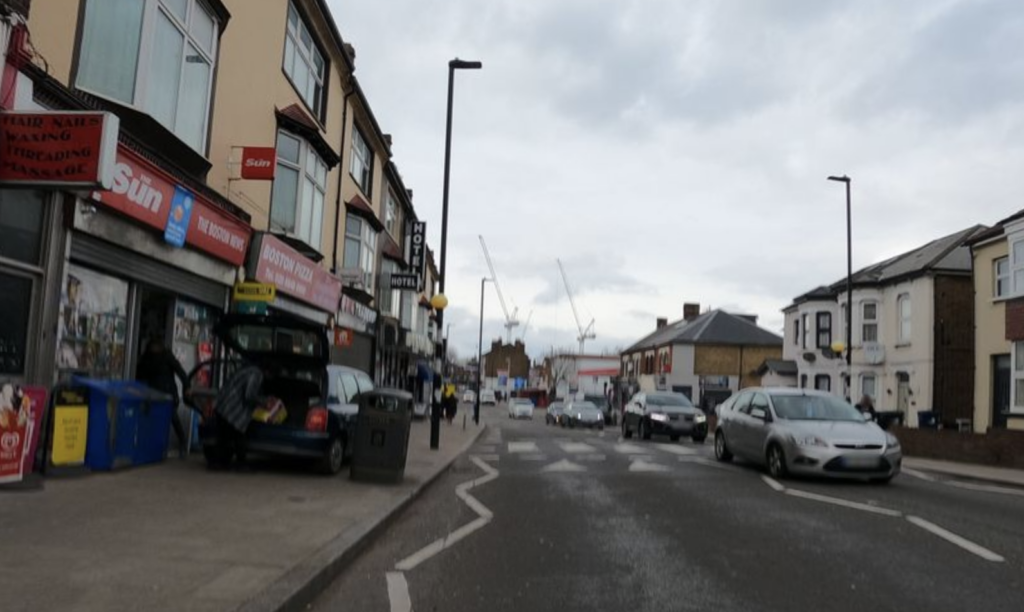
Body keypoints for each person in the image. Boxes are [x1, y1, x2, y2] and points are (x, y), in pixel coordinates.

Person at [136, 337, 189, 458]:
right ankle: (155, 445)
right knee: (156, 418)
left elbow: (180, 371)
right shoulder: (147, 359)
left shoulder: (166, 357)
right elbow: (140, 373)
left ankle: (182, 442)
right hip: (153, 393)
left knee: (172, 418)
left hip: (166, 393)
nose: (155, 349)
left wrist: (187, 386)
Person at [211, 363, 266, 471]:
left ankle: (218, 464)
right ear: (268, 372)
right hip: (234, 409)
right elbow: (249, 395)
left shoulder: (245, 369)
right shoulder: (257, 374)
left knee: (223, 437)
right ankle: (240, 465)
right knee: (239, 437)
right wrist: (262, 402)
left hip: (222, 404)